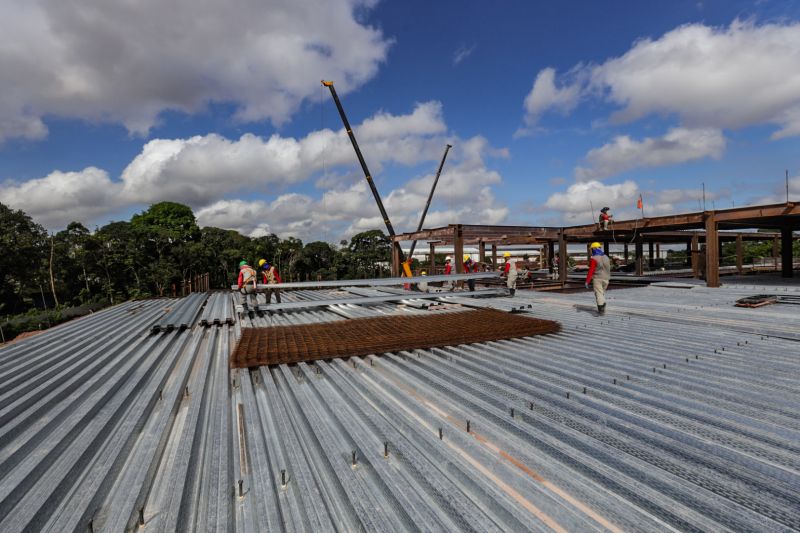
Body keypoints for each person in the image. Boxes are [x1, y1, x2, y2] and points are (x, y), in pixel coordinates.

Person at [585, 242, 611, 314]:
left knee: (598, 294)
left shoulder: (594, 259)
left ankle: (601, 309)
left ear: (594, 249)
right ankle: (603, 304)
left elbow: (591, 270)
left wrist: (587, 281)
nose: (591, 251)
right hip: (606, 279)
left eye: (591, 249)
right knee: (602, 293)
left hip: (597, 278)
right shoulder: (606, 257)